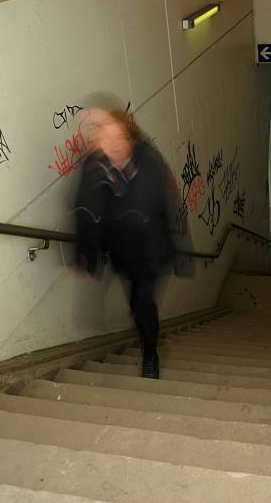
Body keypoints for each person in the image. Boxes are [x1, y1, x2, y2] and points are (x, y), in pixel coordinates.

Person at [72, 109, 189, 379]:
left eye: (115, 135)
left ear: (129, 137)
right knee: (136, 304)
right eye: (102, 135)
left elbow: (169, 207)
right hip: (123, 250)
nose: (109, 142)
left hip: (152, 251)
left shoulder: (149, 162)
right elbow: (85, 210)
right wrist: (86, 256)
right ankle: (146, 335)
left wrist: (180, 253)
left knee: (142, 306)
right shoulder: (94, 167)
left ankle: (150, 351)